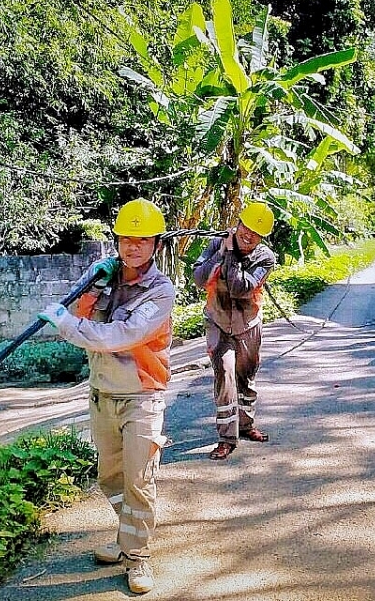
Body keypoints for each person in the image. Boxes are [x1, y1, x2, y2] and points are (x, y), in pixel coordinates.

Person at [38, 198, 174, 594]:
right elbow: (84, 316)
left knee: (139, 479)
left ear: (156, 245)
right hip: (102, 395)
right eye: (125, 240)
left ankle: (139, 556)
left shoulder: (161, 292)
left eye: (142, 241)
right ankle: (125, 538)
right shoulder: (106, 278)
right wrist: (92, 284)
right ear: (117, 241)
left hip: (141, 397)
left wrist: (65, 326)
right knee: (110, 477)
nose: (133, 248)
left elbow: (121, 336)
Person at [193, 201, 277, 461]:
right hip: (218, 321)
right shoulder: (216, 244)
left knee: (245, 377)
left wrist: (231, 256)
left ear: (261, 238)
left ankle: (246, 425)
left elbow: (240, 288)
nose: (248, 235)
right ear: (238, 223)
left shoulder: (265, 258)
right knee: (225, 374)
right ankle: (227, 437)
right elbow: (198, 278)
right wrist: (222, 253)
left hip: (248, 324)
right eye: (245, 227)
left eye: (255, 233)